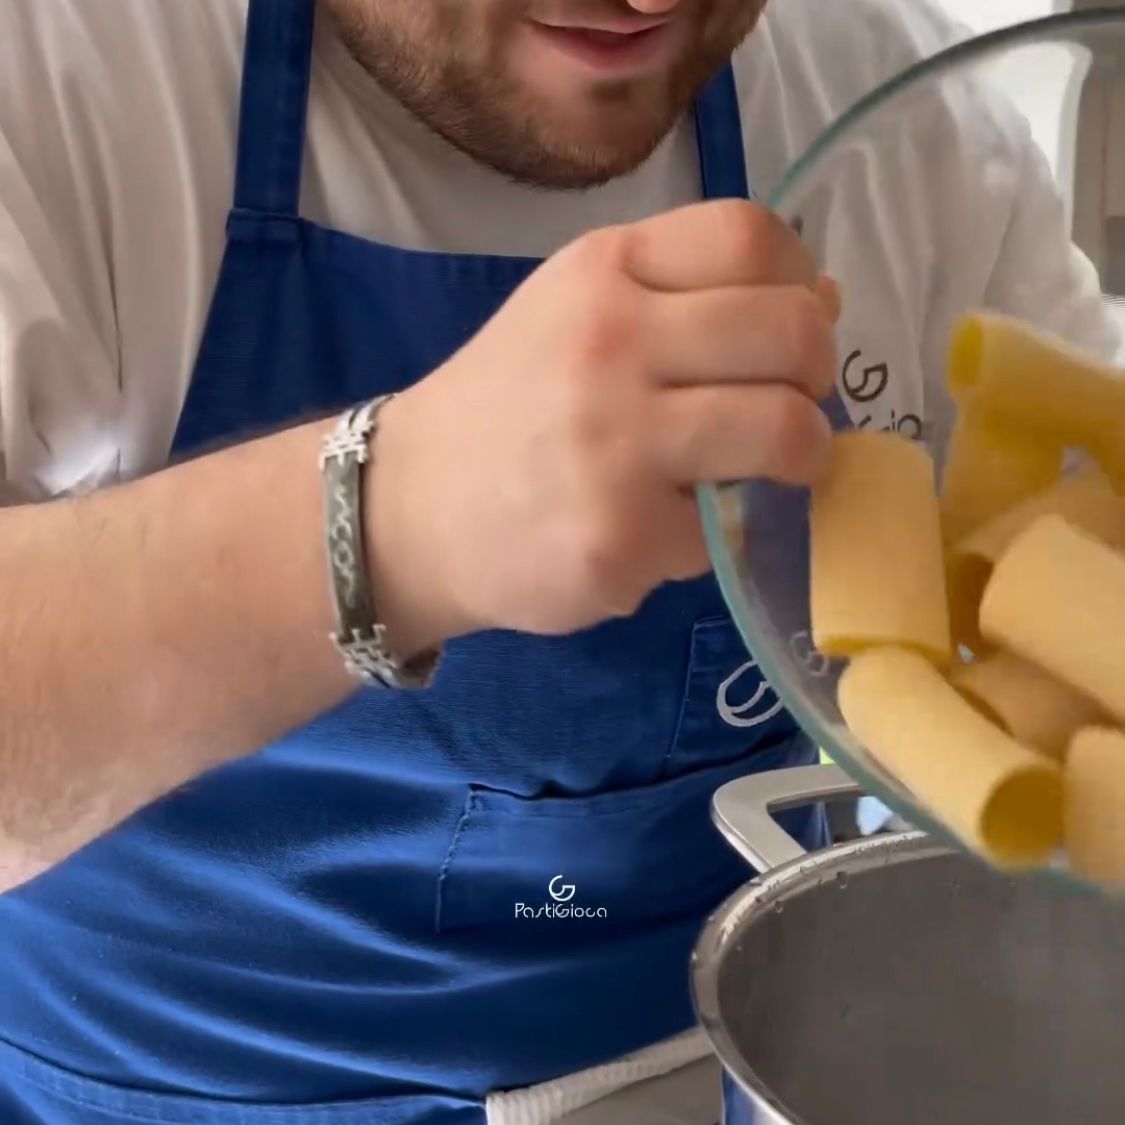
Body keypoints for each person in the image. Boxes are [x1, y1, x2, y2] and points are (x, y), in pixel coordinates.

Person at [0, 0, 1117, 1122]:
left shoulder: (903, 121)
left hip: (740, 1060)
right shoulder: (66, 72)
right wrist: (385, 519)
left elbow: (1075, 552)